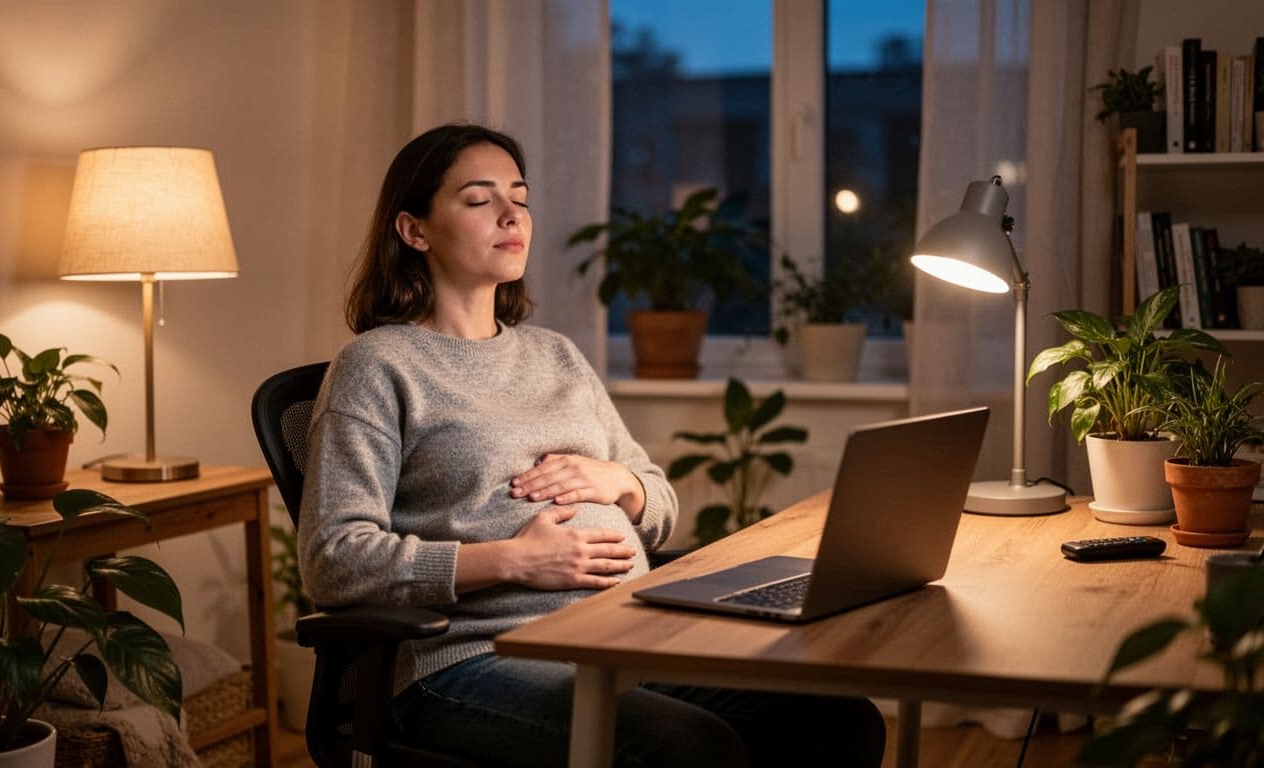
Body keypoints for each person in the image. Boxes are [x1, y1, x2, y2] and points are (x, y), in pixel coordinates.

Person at [299, 123, 886, 767]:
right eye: (478, 200)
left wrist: (621, 485)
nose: (510, 215)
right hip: (473, 657)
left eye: (520, 199)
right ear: (414, 230)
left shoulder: (556, 355)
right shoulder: (378, 366)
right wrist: (515, 561)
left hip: (621, 637)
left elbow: (662, 507)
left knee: (839, 720)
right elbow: (334, 560)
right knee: (688, 748)